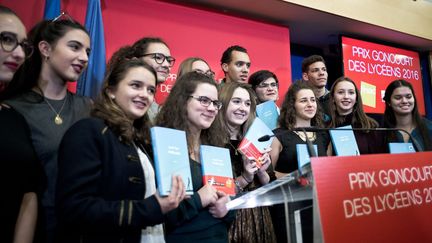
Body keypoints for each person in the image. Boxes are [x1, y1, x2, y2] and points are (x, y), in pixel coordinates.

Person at [56, 47, 186, 243]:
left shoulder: (141, 140)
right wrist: (153, 208)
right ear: (111, 91)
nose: (145, 94)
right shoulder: (89, 131)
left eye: (151, 90)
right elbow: (75, 208)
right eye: (135, 85)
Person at [2, 14, 92, 242]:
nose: (83, 58)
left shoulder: (89, 107)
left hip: (84, 229)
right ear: (45, 49)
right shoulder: (13, 109)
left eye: (88, 52)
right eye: (74, 47)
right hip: (35, 228)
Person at [157, 71, 234, 242]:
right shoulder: (166, 145)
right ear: (183, 101)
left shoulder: (216, 148)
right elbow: (161, 215)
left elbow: (230, 200)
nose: (212, 108)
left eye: (215, 103)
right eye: (204, 100)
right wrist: (199, 199)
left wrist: (227, 208)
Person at [215, 81, 276, 242]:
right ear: (221, 103)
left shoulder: (255, 138)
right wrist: (245, 178)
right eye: (236, 101)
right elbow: (215, 194)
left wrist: (262, 173)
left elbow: (267, 185)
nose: (243, 108)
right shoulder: (211, 142)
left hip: (260, 217)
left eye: (247, 103)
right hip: (229, 220)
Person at [269, 80, 330, 243]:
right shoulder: (278, 135)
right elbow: (268, 174)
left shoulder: (324, 135)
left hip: (319, 207)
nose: (310, 104)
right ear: (292, 105)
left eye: (312, 100)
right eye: (303, 100)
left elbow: (329, 170)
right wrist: (296, 178)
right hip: (289, 207)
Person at [0, 6, 41, 243]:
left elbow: (29, 192)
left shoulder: (14, 118)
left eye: (23, 46)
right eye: (7, 39)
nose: (18, 54)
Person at [327, 76, 386, 154]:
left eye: (351, 92)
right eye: (341, 92)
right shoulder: (326, 127)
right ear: (333, 97)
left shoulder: (370, 126)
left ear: (356, 98)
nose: (346, 96)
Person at [130, 37, 174, 123]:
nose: (166, 65)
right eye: (158, 58)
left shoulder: (160, 112)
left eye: (169, 60)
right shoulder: (123, 102)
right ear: (136, 61)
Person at [383, 79, 432, 151]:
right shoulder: (381, 132)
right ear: (389, 102)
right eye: (398, 98)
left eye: (408, 97)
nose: (404, 101)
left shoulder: (429, 128)